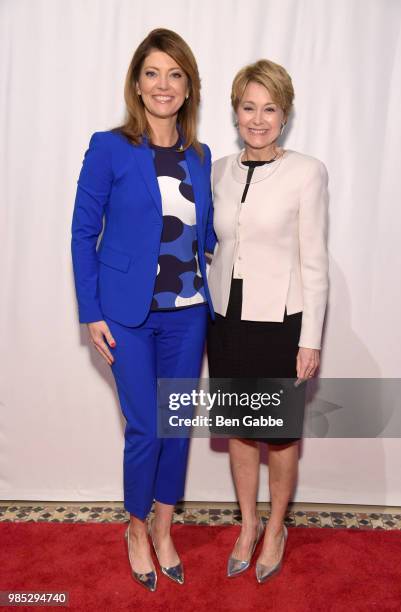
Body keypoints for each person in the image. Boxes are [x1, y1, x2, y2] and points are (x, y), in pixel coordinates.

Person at [71, 28, 215, 592]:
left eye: (175, 74)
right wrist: (91, 311)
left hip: (189, 312)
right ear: (137, 83)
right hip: (126, 315)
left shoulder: (200, 156)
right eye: (153, 73)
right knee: (145, 427)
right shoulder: (109, 147)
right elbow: (84, 233)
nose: (164, 84)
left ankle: (163, 526)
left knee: (176, 423)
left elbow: (210, 234)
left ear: (187, 88)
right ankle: (134, 529)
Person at [206, 59, 329, 583]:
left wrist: (311, 338)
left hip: (281, 320)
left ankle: (277, 527)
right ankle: (248, 525)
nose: (258, 119)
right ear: (235, 112)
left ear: (285, 114)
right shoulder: (218, 170)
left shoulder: (307, 171)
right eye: (248, 107)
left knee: (278, 437)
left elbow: (315, 260)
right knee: (238, 431)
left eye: (269, 108)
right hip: (226, 318)